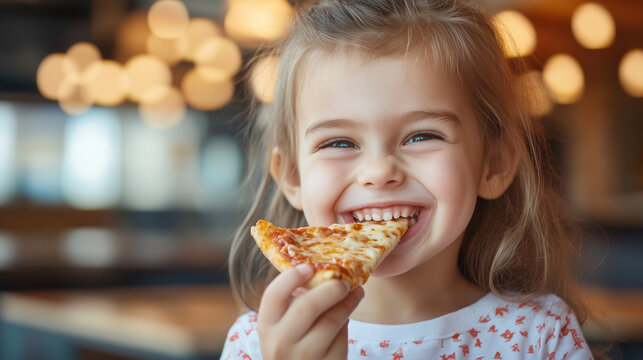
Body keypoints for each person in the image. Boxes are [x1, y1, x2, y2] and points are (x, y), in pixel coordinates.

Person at [221, 0, 596, 359]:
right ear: (292, 177)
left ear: (493, 165)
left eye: (422, 136)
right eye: (338, 142)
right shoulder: (257, 347)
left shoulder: (538, 336)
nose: (379, 172)